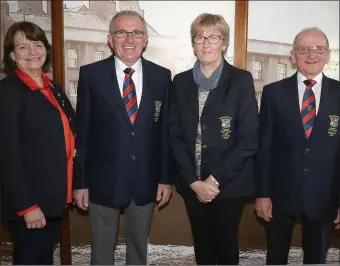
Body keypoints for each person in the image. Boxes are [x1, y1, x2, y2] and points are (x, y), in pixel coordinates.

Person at [72, 10, 172, 265]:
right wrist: (80, 182)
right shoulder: (91, 75)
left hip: (145, 181)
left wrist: (165, 178)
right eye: (121, 33)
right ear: (110, 39)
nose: (129, 39)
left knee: (139, 251)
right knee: (101, 254)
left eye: (136, 32)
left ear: (145, 40)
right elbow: (81, 133)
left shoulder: (162, 77)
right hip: (101, 181)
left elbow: (164, 133)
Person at [168, 13, 258, 265]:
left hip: (228, 184)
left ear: (224, 43)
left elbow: (249, 139)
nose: (206, 44)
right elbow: (173, 136)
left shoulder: (241, 80)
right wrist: (193, 182)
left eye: (213, 37)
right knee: (203, 247)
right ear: (193, 43)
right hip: (192, 183)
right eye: (200, 37)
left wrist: (213, 180)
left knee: (226, 246)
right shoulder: (180, 82)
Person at [255, 27, 340, 265]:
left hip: (325, 196)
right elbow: (264, 147)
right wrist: (262, 193)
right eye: (304, 49)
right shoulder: (273, 93)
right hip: (279, 194)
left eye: (318, 49)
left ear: (327, 54)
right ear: (293, 55)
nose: (311, 55)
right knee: (276, 257)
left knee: (316, 258)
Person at [0, 21, 75, 265]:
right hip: (30, 204)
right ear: (12, 55)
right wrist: (27, 206)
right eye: (23, 47)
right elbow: (7, 155)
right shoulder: (8, 91)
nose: (33, 52)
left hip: (52, 199)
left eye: (37, 44)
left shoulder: (52, 88)